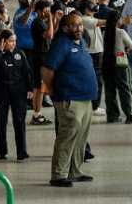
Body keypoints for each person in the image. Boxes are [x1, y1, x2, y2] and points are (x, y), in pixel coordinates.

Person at [42, 12, 98, 188]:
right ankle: (59, 174)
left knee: (81, 136)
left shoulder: (80, 43)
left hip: (85, 98)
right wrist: (51, 89)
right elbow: (46, 70)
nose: (79, 28)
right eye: (74, 25)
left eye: (80, 25)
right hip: (68, 98)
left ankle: (75, 170)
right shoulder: (60, 45)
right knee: (68, 134)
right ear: (65, 28)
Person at [0, 29, 34, 162]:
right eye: (10, 41)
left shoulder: (20, 54)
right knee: (1, 122)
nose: (13, 44)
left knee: (19, 121)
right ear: (3, 42)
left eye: (14, 41)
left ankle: (22, 151)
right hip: (2, 90)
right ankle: (2, 150)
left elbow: (27, 72)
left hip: (18, 90)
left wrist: (30, 88)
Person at [101, 9, 132, 124]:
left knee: (109, 90)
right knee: (125, 89)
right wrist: (125, 50)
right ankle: (130, 115)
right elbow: (131, 45)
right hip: (120, 61)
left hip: (107, 62)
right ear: (118, 20)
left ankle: (112, 115)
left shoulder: (104, 33)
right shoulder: (121, 32)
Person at [27, 0, 56, 125]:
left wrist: (53, 19)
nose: (47, 12)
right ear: (39, 10)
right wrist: (50, 18)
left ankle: (37, 113)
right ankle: (36, 114)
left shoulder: (41, 22)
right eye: (45, 10)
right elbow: (49, 35)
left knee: (40, 88)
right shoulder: (37, 22)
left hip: (43, 55)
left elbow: (52, 32)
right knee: (38, 87)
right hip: (39, 57)